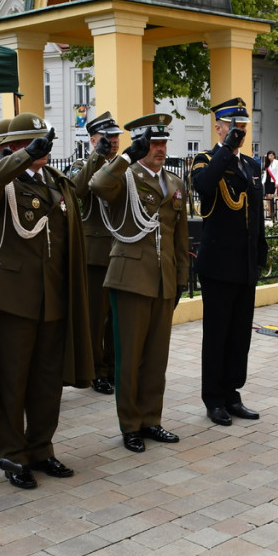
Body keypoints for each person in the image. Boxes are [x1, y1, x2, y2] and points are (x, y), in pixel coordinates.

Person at [0, 112, 96, 490]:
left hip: (53, 296)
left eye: (41, 141)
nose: (41, 149)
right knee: (13, 382)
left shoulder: (56, 182)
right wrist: (23, 158)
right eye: (31, 142)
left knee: (47, 382)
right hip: (12, 300)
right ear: (10, 148)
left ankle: (42, 448)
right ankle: (13, 456)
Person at [90, 113, 189, 452]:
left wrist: (180, 279)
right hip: (130, 278)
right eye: (154, 143)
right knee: (128, 358)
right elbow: (97, 186)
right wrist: (127, 155)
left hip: (162, 280)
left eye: (163, 143)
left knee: (156, 357)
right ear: (142, 144)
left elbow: (179, 237)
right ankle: (130, 425)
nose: (160, 149)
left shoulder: (175, 184)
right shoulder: (126, 177)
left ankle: (152, 419)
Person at [190, 97, 266, 427]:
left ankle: (233, 393)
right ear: (219, 128)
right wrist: (226, 149)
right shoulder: (204, 160)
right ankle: (214, 398)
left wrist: (260, 253)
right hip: (219, 265)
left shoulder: (251, 165)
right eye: (234, 127)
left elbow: (258, 215)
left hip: (245, 263)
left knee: (239, 336)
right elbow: (205, 187)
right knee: (217, 334)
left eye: (244, 128)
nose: (241, 133)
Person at [70, 111, 123, 396]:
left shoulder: (124, 165)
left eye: (115, 138)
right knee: (97, 317)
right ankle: (96, 371)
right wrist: (96, 159)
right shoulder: (83, 164)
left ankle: (114, 367)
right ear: (93, 140)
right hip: (97, 252)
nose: (113, 143)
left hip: (122, 249)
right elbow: (78, 190)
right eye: (106, 138)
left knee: (116, 317)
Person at [261, 149, 278, 219]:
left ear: (274, 156)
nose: (270, 157)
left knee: (270, 196)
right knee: (267, 197)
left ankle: (272, 211)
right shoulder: (267, 163)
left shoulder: (277, 162)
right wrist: (263, 182)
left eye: (271, 155)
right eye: (269, 155)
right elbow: (265, 174)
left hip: (273, 181)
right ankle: (269, 212)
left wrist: (277, 182)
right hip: (267, 181)